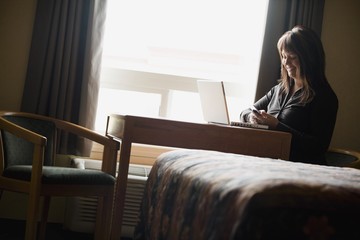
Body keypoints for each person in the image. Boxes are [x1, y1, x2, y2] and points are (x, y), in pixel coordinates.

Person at [240, 25, 338, 165]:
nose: (286, 62)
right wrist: (251, 116)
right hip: (270, 163)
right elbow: (245, 111)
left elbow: (318, 147)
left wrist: (277, 126)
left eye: (292, 57)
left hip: (301, 168)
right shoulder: (279, 90)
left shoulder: (324, 97)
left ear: (309, 59)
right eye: (284, 56)